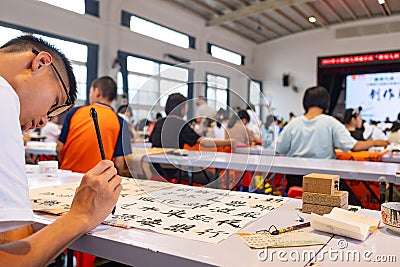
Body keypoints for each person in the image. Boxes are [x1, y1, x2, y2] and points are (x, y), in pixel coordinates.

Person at [0, 35, 121, 266]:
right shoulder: (3, 95)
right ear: (41, 63)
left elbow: (60, 147)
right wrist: (82, 215)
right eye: (54, 102)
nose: (44, 121)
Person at [276, 86, 389, 192]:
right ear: (326, 103)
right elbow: (354, 146)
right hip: (324, 178)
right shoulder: (330, 122)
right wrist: (374, 142)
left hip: (295, 178)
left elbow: (280, 148)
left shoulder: (293, 123)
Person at [57, 76, 132, 175]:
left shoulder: (75, 112)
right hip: (97, 180)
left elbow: (59, 147)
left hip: (67, 175)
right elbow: (119, 163)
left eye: (90, 92)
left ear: (97, 92)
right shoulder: (120, 122)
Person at [150, 93, 231, 184]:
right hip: (175, 170)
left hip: (158, 170)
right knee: (213, 177)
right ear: (182, 108)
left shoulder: (158, 123)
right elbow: (205, 143)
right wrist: (229, 142)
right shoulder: (180, 124)